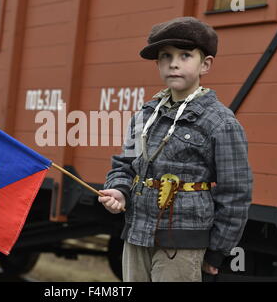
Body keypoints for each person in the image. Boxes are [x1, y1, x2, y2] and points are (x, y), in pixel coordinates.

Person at [98, 16, 253, 282]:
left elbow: (235, 192)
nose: (174, 63)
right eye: (165, 56)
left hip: (183, 241)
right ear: (158, 64)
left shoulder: (220, 122)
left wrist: (217, 251)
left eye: (185, 55)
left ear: (205, 64)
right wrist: (120, 191)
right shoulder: (145, 116)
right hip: (136, 234)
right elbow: (124, 165)